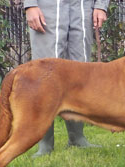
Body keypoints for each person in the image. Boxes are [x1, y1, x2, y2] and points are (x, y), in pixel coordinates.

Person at [24, 0, 109, 158]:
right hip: (47, 7)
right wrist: (30, 5)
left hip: (83, 8)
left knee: (80, 74)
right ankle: (45, 143)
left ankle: (77, 137)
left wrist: (100, 5)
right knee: (46, 76)